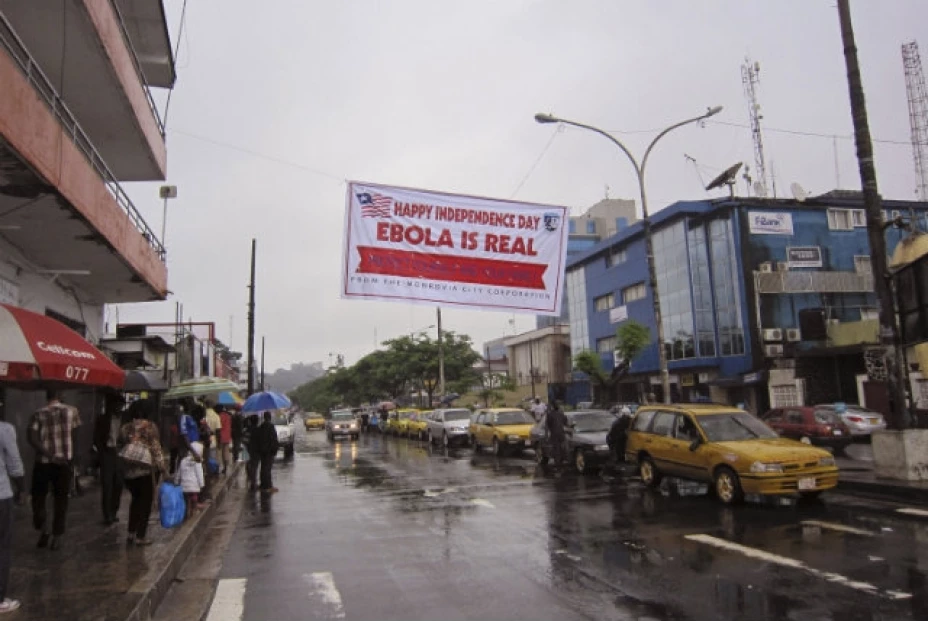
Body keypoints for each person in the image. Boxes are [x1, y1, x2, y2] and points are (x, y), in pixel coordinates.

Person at [28, 389, 81, 551]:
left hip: (43, 462)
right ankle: (57, 537)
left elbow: (32, 438)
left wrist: (50, 455)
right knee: (61, 500)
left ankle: (44, 528)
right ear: (60, 396)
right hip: (64, 462)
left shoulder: (37, 414)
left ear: (47, 397)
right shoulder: (72, 411)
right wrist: (71, 460)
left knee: (38, 497)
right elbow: (75, 436)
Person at [120, 409, 166, 546]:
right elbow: (155, 447)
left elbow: (122, 445)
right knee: (145, 504)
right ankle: (141, 536)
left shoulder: (126, 427)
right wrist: (163, 468)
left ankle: (130, 533)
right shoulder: (150, 427)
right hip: (146, 472)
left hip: (129, 473)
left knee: (135, 501)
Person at [0, 400, 25, 613]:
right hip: (1, 496)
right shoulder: (4, 429)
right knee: (2, 547)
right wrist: (22, 488)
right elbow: (15, 464)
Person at [93, 393, 124, 525]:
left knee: (119, 484)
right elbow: (96, 437)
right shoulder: (102, 419)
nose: (119, 408)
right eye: (117, 405)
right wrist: (101, 451)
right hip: (107, 453)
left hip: (121, 453)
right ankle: (107, 515)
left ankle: (114, 510)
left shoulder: (124, 419)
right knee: (107, 484)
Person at [177, 441, 206, 518]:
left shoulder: (183, 461)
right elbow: (200, 475)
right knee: (194, 497)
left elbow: (179, 473)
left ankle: (187, 511)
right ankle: (194, 509)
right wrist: (202, 484)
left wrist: (176, 482)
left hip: (184, 486)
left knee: (186, 499)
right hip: (194, 486)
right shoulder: (197, 462)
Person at [254, 411, 280, 493]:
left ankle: (263, 484)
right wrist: (275, 450)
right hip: (269, 451)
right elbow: (274, 439)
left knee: (263, 468)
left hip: (262, 451)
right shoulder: (271, 426)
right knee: (267, 469)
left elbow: (258, 439)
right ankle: (268, 486)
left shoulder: (260, 427)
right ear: (270, 417)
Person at [544, 399, 568, 468]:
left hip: (557, 435)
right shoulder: (558, 414)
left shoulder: (553, 414)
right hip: (558, 435)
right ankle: (558, 464)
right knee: (558, 449)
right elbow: (565, 423)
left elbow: (548, 425)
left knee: (559, 449)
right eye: (558, 404)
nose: (559, 406)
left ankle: (558, 464)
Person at [243, 415, 260, 491]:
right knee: (254, 467)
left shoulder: (247, 430)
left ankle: (251, 479)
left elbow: (244, 440)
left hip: (247, 450)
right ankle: (253, 482)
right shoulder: (259, 430)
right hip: (256, 451)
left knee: (248, 465)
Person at [216, 406, 232, 474]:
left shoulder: (219, 416)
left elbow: (219, 427)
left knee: (220, 453)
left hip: (221, 436)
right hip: (227, 436)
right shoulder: (228, 416)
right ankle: (225, 467)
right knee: (226, 453)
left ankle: (221, 467)